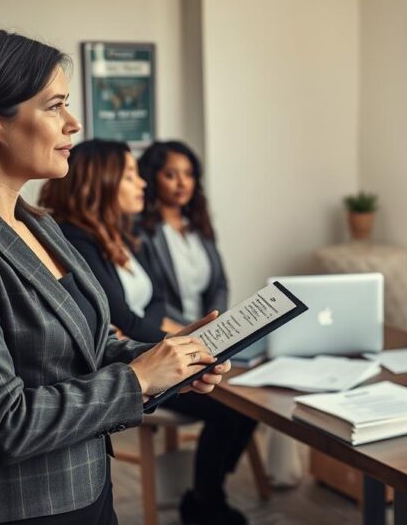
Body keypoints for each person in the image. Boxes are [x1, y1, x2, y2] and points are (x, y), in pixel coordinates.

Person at [0, 27, 227, 524]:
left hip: (86, 490)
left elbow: (90, 345)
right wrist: (138, 380)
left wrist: (169, 360)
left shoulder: (37, 222)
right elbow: (3, 423)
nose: (74, 123)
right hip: (8, 511)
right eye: (54, 105)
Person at [39, 140, 255, 525]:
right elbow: (122, 317)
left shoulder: (117, 234)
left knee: (246, 396)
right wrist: (184, 345)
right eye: (131, 175)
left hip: (152, 348)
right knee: (232, 405)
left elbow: (153, 300)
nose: (142, 184)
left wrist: (188, 340)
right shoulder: (76, 240)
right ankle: (206, 501)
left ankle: (206, 493)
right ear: (100, 182)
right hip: (133, 366)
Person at [136, 141, 227, 324]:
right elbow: (151, 297)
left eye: (189, 174)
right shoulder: (140, 231)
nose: (182, 183)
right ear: (152, 178)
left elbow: (219, 285)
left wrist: (214, 322)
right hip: (168, 334)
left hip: (210, 333)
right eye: (170, 175)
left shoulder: (199, 226)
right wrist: (191, 329)